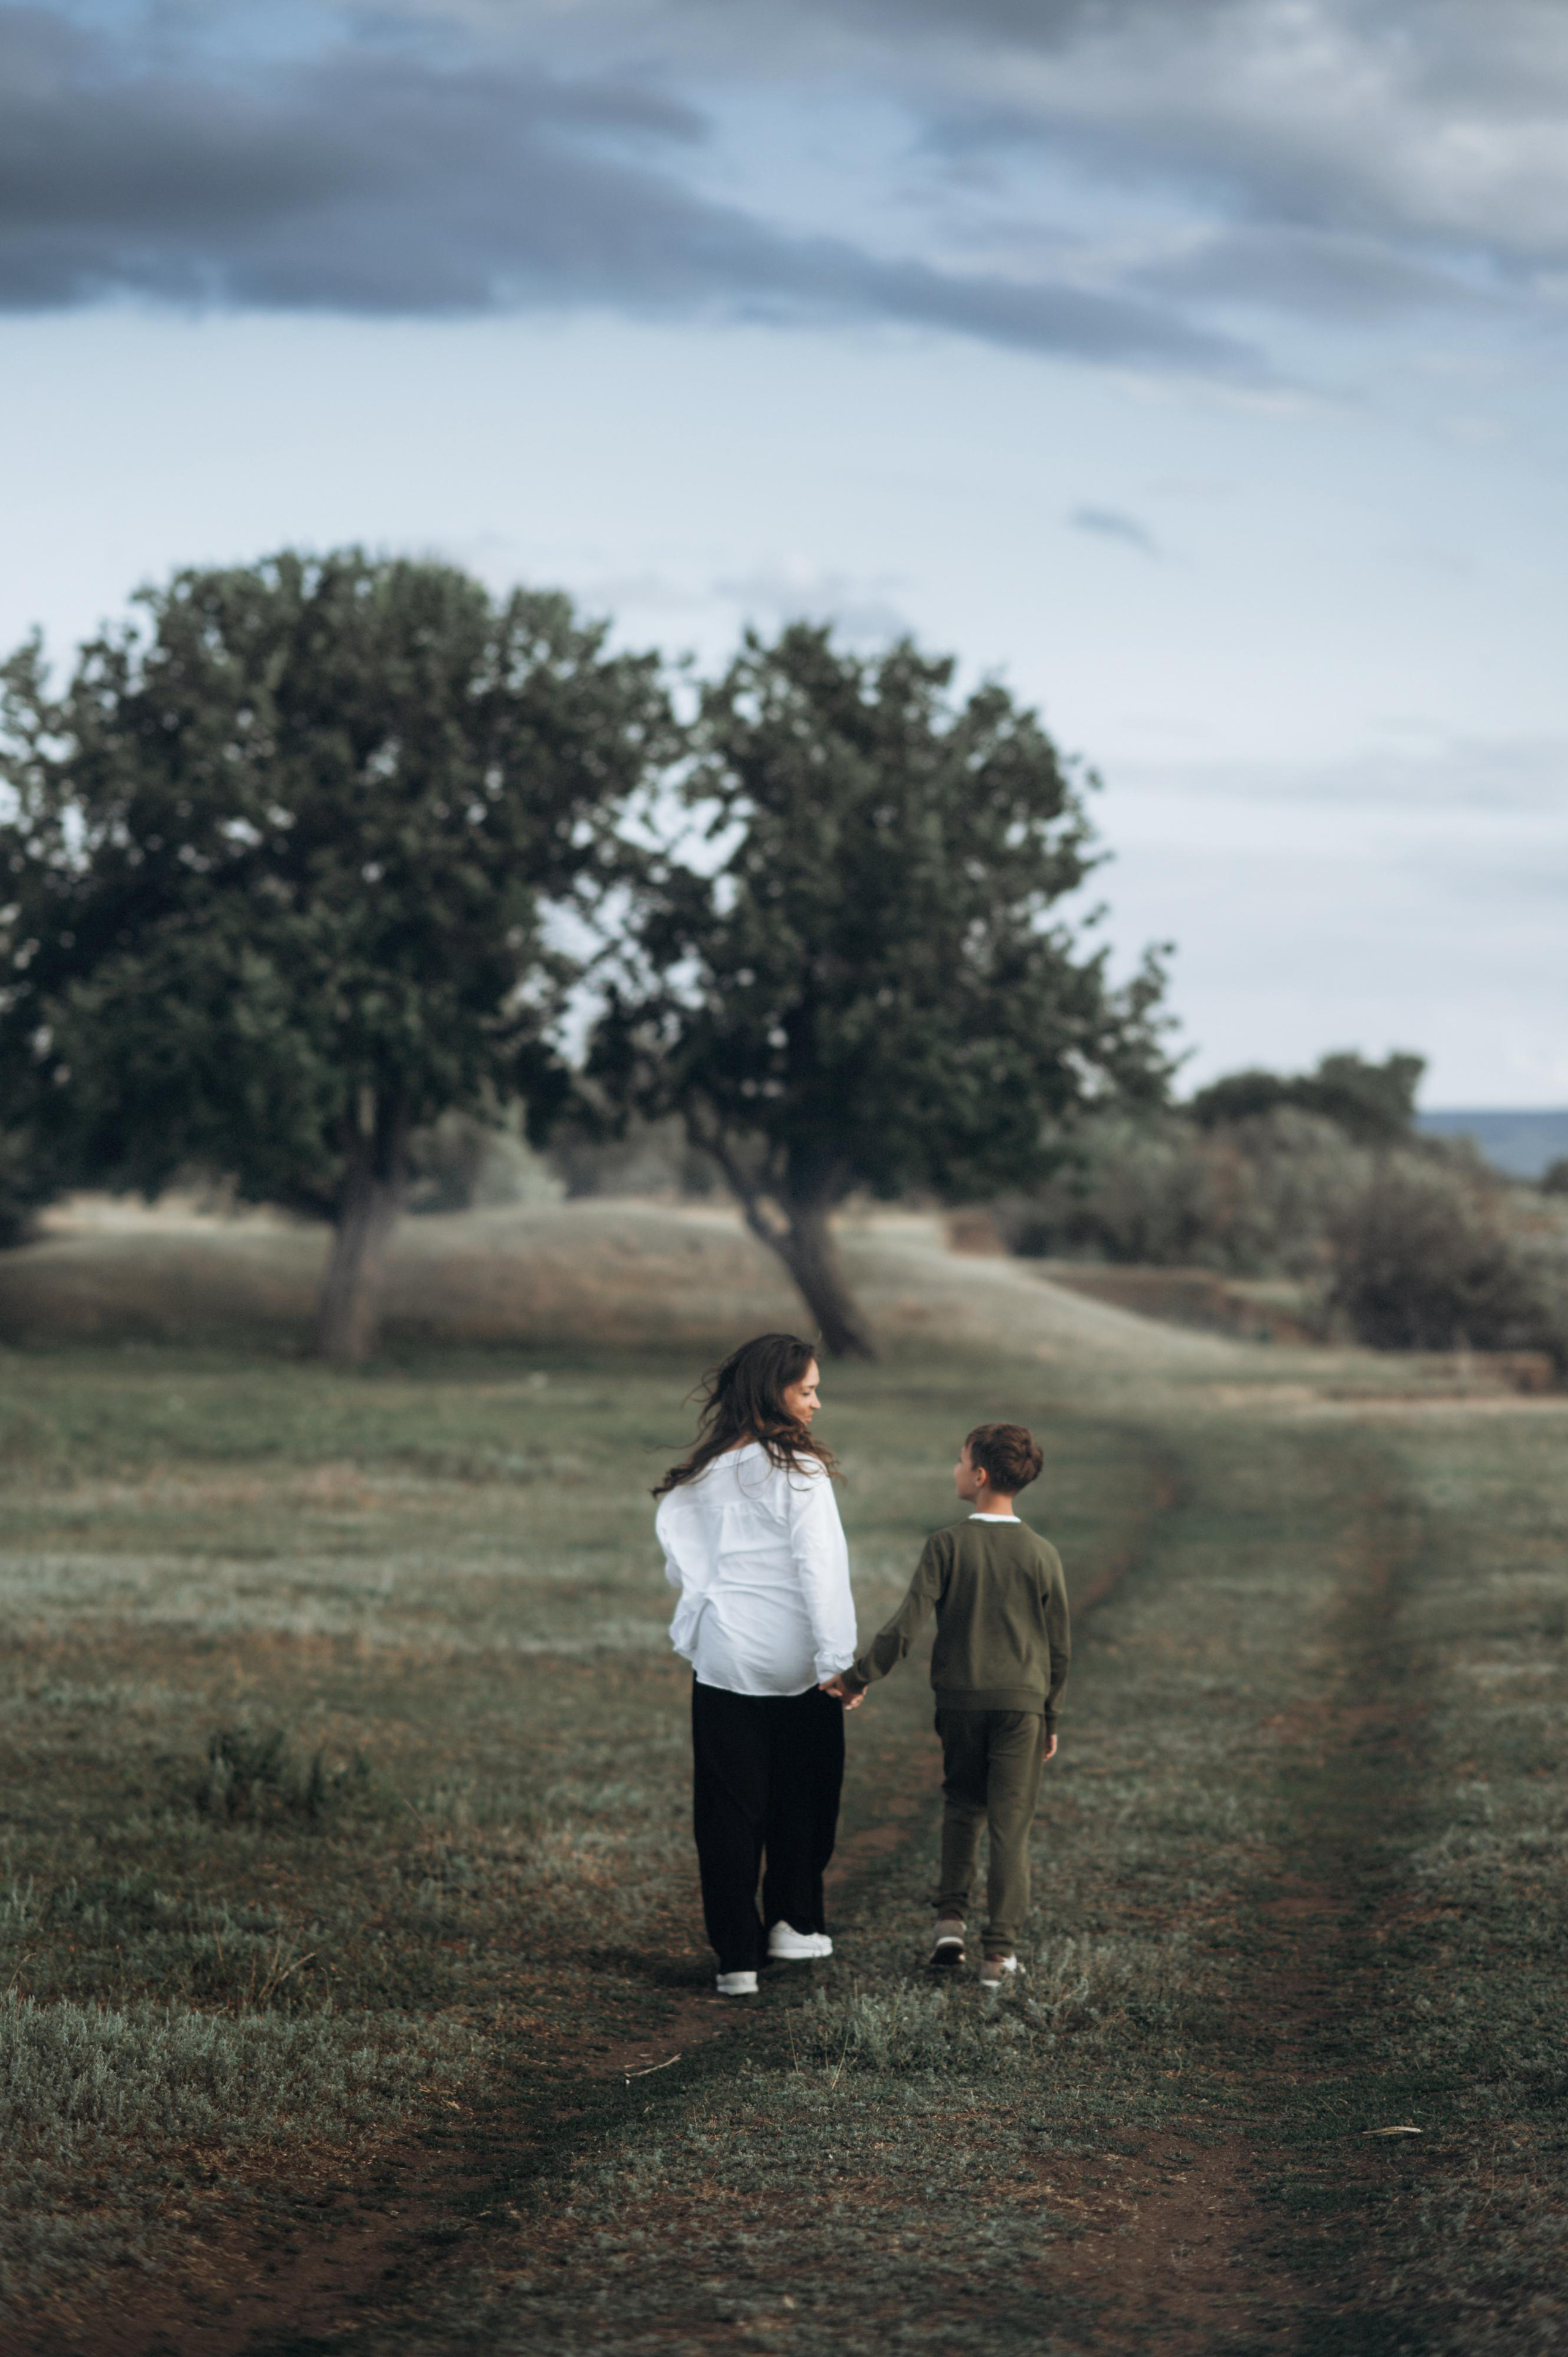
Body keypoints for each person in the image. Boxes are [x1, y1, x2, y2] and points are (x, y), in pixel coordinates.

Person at [822, 1422, 1068, 1989]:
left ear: (979, 1476)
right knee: (1010, 1826)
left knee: (962, 1806)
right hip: (1022, 1708)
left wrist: (859, 1678)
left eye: (958, 1461)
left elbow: (905, 1627)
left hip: (960, 1706)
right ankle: (998, 1956)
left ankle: (949, 1925)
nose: (954, 1470)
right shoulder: (1043, 1554)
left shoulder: (947, 1545)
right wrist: (1050, 1717)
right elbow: (1059, 1651)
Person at [655, 1333, 857, 1999]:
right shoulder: (800, 1471)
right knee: (805, 1793)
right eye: (807, 1390)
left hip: (723, 1657)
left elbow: (682, 1562)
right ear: (776, 1391)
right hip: (798, 1659)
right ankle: (793, 1924)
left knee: (727, 1808)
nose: (817, 1402)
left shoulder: (702, 1475)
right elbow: (821, 1569)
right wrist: (838, 1660)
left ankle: (735, 1957)